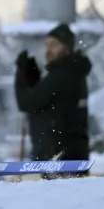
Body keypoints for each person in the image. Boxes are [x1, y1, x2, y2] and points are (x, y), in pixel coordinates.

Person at [14, 23, 91, 176]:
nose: (48, 50)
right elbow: (45, 102)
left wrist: (22, 76)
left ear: (67, 48)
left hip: (56, 157)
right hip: (71, 156)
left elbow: (28, 102)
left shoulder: (61, 75)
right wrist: (33, 77)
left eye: (54, 45)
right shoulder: (74, 72)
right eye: (47, 45)